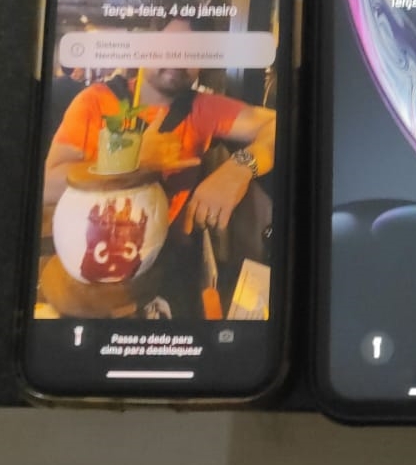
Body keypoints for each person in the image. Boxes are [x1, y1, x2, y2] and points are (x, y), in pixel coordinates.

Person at [42, 18, 276, 316]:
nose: (178, 59)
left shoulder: (202, 108)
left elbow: (276, 124)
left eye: (194, 53)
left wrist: (239, 169)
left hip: (157, 267)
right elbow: (46, 187)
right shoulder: (95, 101)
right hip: (83, 272)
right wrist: (133, 160)